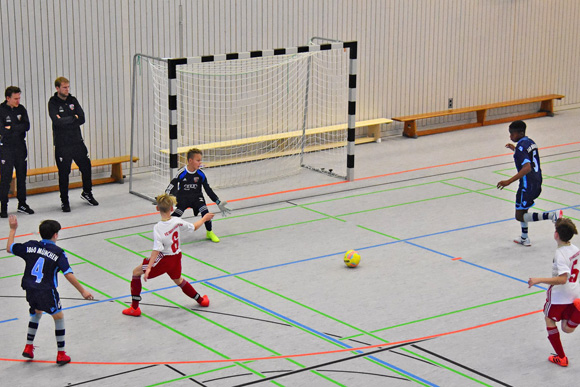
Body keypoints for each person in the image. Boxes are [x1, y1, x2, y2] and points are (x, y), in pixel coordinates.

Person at [6, 215, 94, 365]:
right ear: (55, 235)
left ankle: (28, 346)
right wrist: (83, 291)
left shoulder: (30, 245)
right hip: (46, 290)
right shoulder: (58, 252)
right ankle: (61, 354)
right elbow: (68, 274)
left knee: (36, 312)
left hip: (30, 288)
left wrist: (13, 229)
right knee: (58, 317)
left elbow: (9, 248)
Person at [122, 193, 214, 317]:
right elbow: (193, 227)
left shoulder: (158, 227)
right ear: (171, 209)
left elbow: (157, 249)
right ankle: (201, 300)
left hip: (164, 259)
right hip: (177, 257)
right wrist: (204, 219)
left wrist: (149, 267)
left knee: (136, 272)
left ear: (157, 208)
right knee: (178, 280)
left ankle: (134, 308)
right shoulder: (176, 221)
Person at [496, 120, 562, 246]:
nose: (510, 136)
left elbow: (527, 167)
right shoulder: (530, 142)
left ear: (520, 133)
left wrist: (508, 181)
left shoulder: (521, 148)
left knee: (519, 216)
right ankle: (524, 237)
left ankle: (552, 216)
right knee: (523, 209)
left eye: (512, 133)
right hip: (537, 181)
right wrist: (515, 149)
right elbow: (527, 155)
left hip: (527, 185)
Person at [528, 217, 580, 367]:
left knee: (549, 319)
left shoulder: (560, 254)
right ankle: (578, 312)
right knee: (566, 328)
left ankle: (562, 358)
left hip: (560, 296)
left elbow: (562, 279)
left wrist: (538, 280)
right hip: (575, 293)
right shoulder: (575, 249)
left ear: (556, 235)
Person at [48, 77, 98, 212]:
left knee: (86, 167)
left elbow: (82, 118)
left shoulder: (73, 100)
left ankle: (87, 193)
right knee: (64, 173)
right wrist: (73, 118)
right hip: (62, 145)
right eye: (64, 87)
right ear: (57, 88)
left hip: (77, 142)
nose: (67, 90)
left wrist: (67, 119)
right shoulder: (52, 103)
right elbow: (56, 122)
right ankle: (65, 201)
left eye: (68, 87)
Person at [165, 148, 231, 243]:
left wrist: (218, 202)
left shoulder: (201, 174)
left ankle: (209, 232)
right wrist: (165, 197)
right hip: (183, 199)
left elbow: (208, 189)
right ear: (190, 161)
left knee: (205, 212)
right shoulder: (181, 173)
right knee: (175, 216)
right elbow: (171, 185)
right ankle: (166, 232)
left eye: (200, 160)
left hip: (197, 198)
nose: (200, 163)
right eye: (198, 160)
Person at [0, 86, 34, 218]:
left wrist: (12, 127)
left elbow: (27, 126)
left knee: (21, 177)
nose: (18, 101)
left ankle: (22, 204)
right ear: (8, 98)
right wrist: (16, 128)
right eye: (15, 98)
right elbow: (3, 130)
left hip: (20, 146)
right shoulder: (1, 110)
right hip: (6, 149)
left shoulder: (21, 109)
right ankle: (3, 207)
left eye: (19, 98)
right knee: (6, 178)